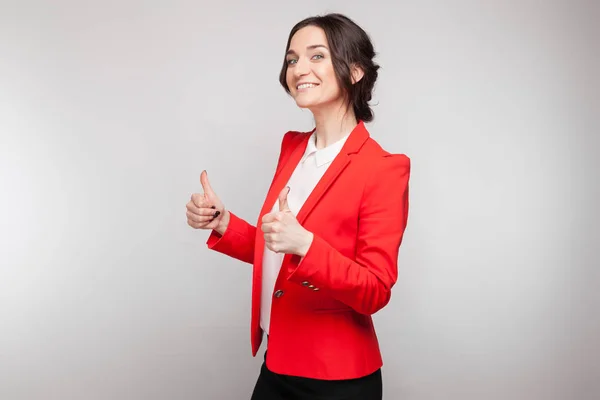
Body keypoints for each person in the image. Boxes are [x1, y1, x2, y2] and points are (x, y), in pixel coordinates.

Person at [186, 13, 410, 400]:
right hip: (277, 365)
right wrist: (224, 224)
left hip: (337, 379)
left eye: (316, 56)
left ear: (355, 71)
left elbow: (375, 289)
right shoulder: (293, 146)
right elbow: (278, 248)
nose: (298, 69)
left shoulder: (384, 169)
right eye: (292, 59)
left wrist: (307, 245)